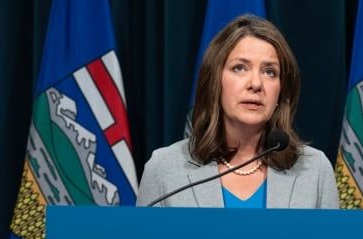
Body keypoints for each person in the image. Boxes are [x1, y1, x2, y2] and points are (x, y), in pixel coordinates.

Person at [136, 15, 338, 208]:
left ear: (281, 90)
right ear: (215, 82)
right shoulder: (164, 169)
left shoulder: (315, 170)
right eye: (240, 68)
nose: (256, 84)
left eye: (269, 72)